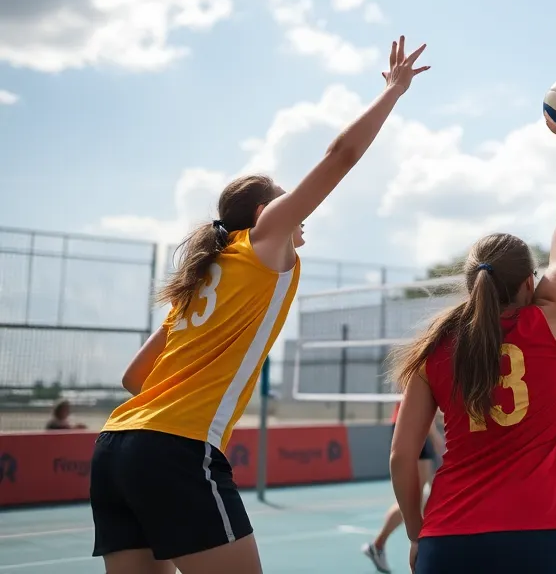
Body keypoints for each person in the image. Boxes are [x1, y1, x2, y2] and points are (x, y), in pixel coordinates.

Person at [89, 36, 429, 574]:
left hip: (116, 446)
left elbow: (136, 378)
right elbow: (341, 157)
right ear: (266, 210)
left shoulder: (201, 277)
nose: (302, 211)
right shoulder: (261, 242)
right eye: (290, 200)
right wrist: (393, 91)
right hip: (177, 449)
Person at [387, 84, 556, 574]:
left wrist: (419, 535)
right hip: (531, 541)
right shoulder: (551, 320)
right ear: (531, 281)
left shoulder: (433, 349)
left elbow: (403, 458)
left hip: (448, 540)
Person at [362, 405, 445, 573]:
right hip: (415, 426)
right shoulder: (417, 383)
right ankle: (388, 545)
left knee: (426, 494)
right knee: (419, 495)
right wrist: (436, 438)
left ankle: (381, 545)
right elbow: (419, 399)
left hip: (418, 425)